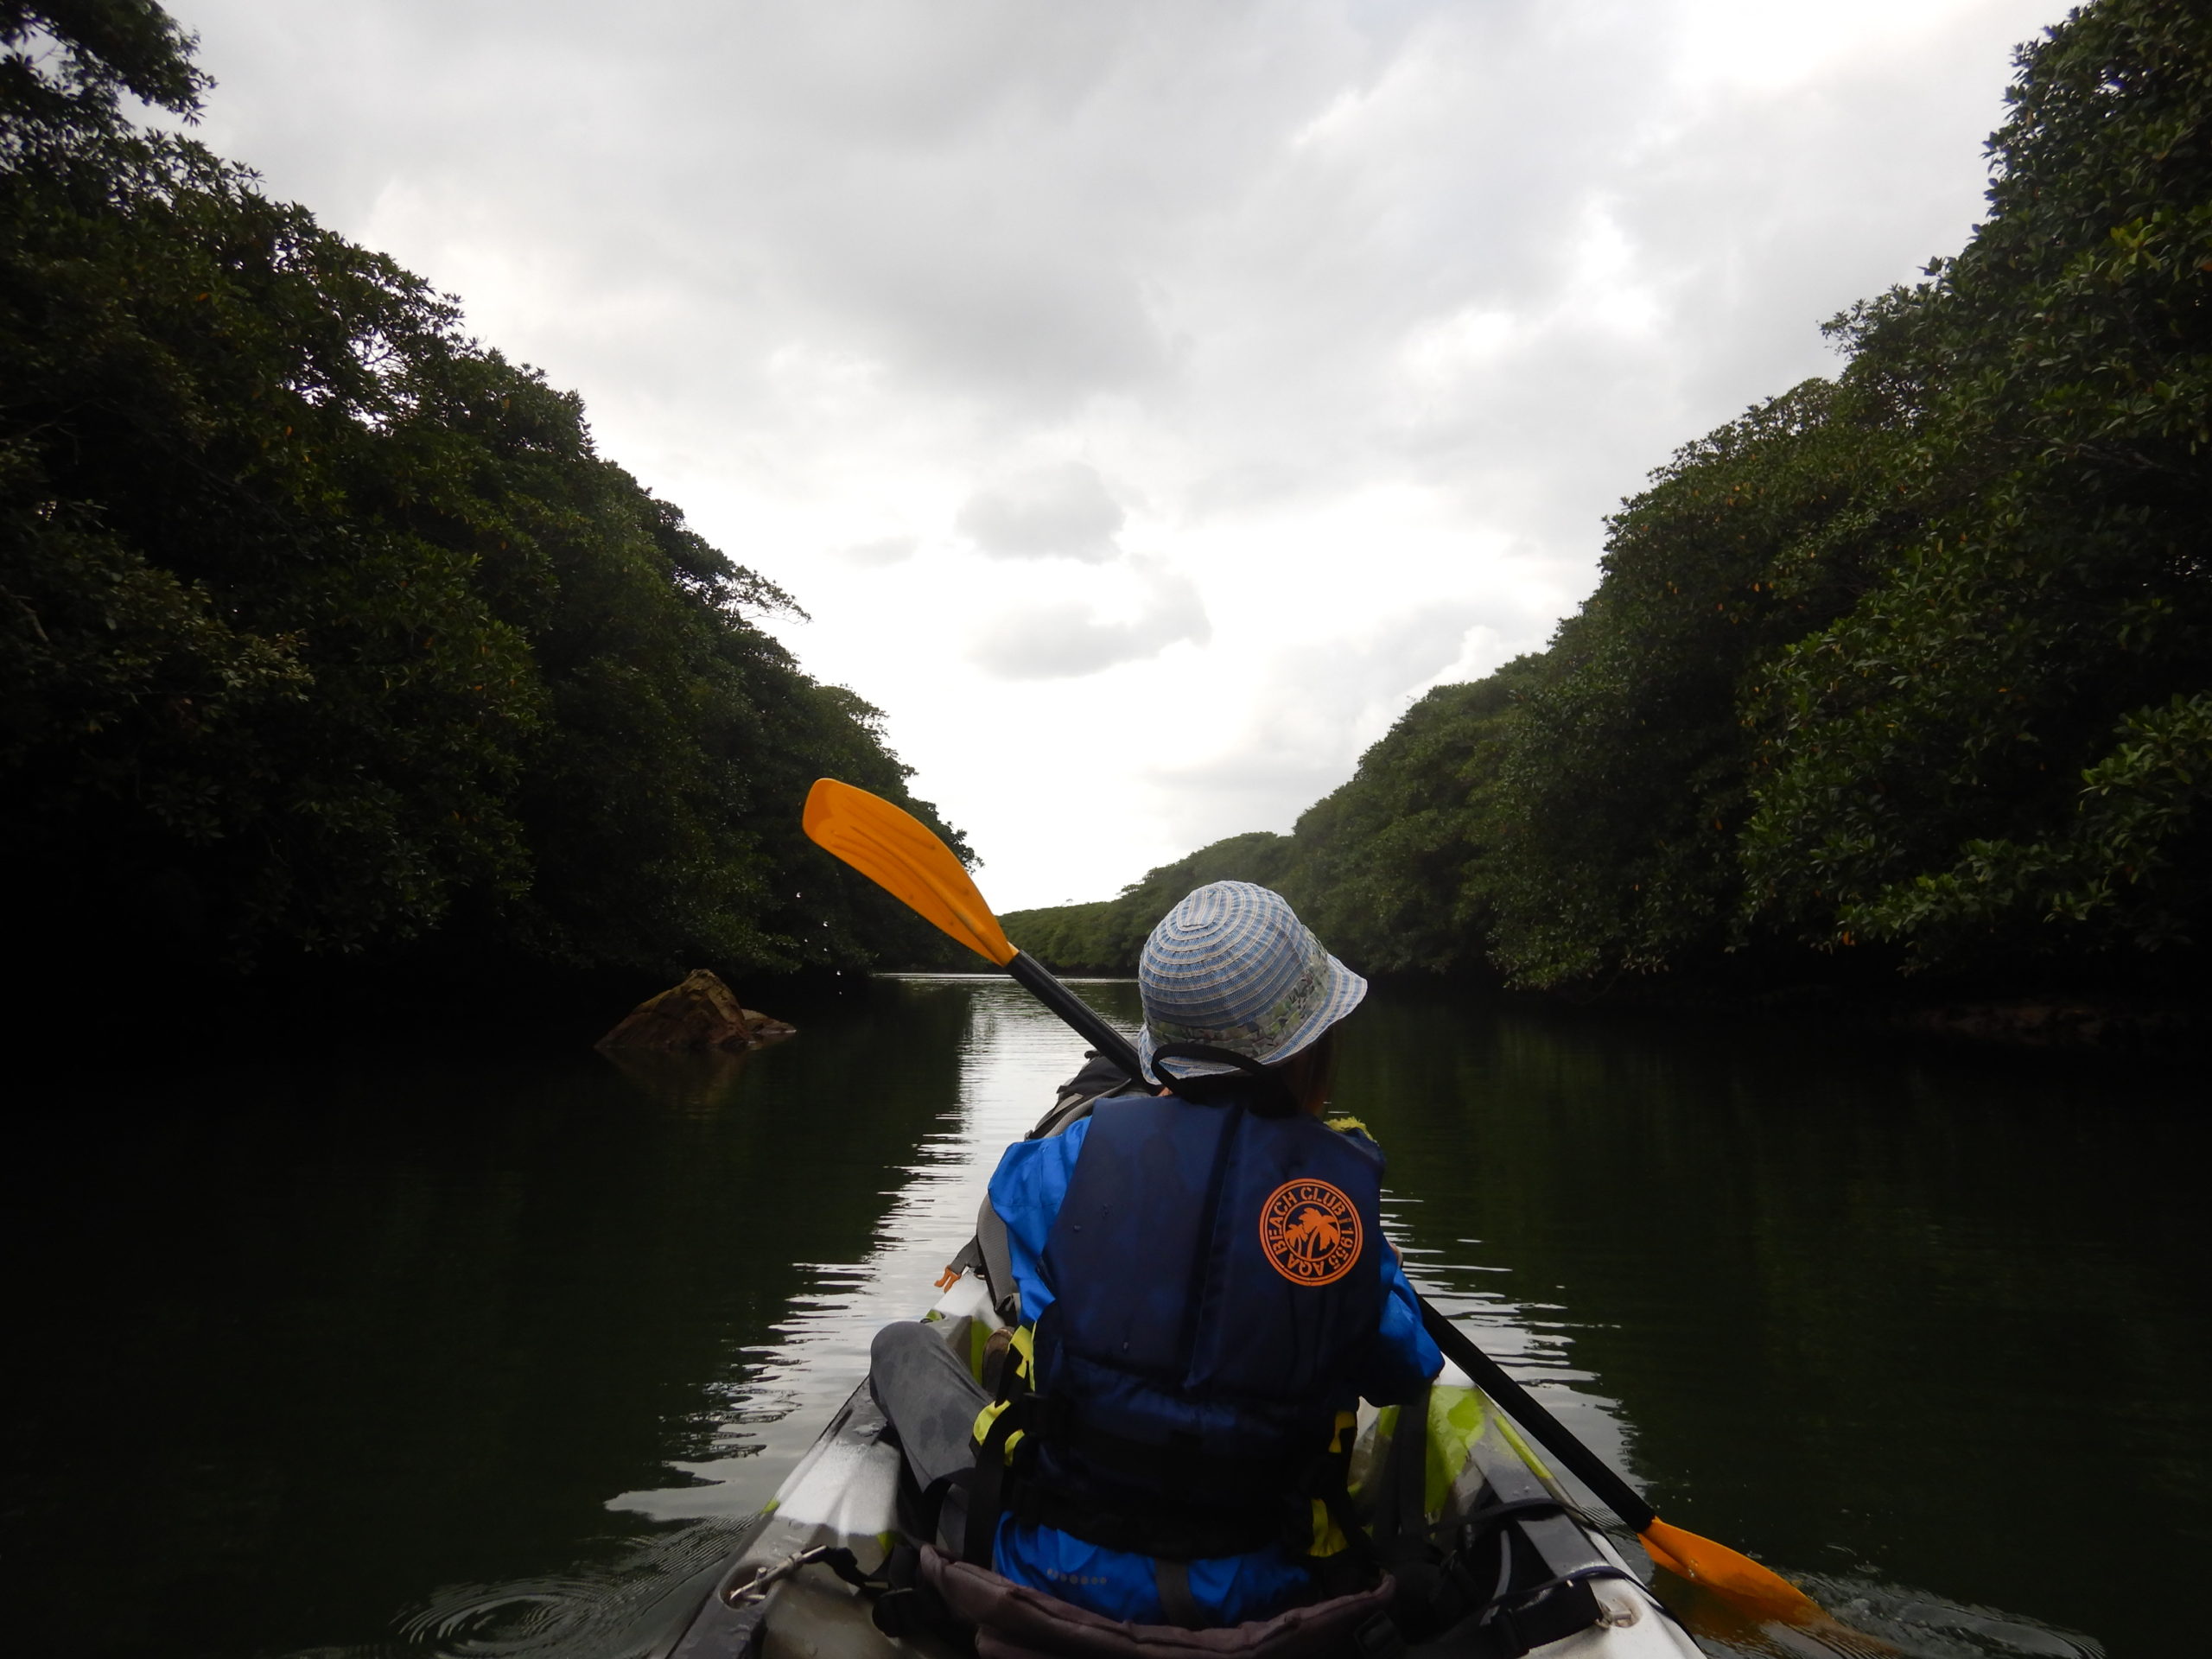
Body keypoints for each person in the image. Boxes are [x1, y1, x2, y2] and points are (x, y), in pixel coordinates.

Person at [871, 880, 1441, 1630]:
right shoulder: (1336, 1203)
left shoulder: (1051, 1168)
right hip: (1272, 1588)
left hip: (1049, 1571)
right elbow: (1407, 1368)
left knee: (901, 1346)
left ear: (1159, 1057)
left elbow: (1033, 1239)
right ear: (1312, 1044)